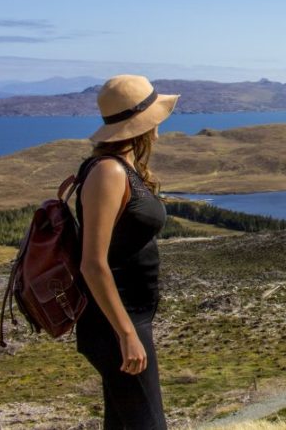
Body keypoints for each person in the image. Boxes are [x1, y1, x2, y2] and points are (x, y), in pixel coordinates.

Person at [76, 75, 178, 430]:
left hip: (127, 319)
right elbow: (92, 262)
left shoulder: (125, 166)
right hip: (115, 323)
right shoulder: (109, 172)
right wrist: (126, 334)